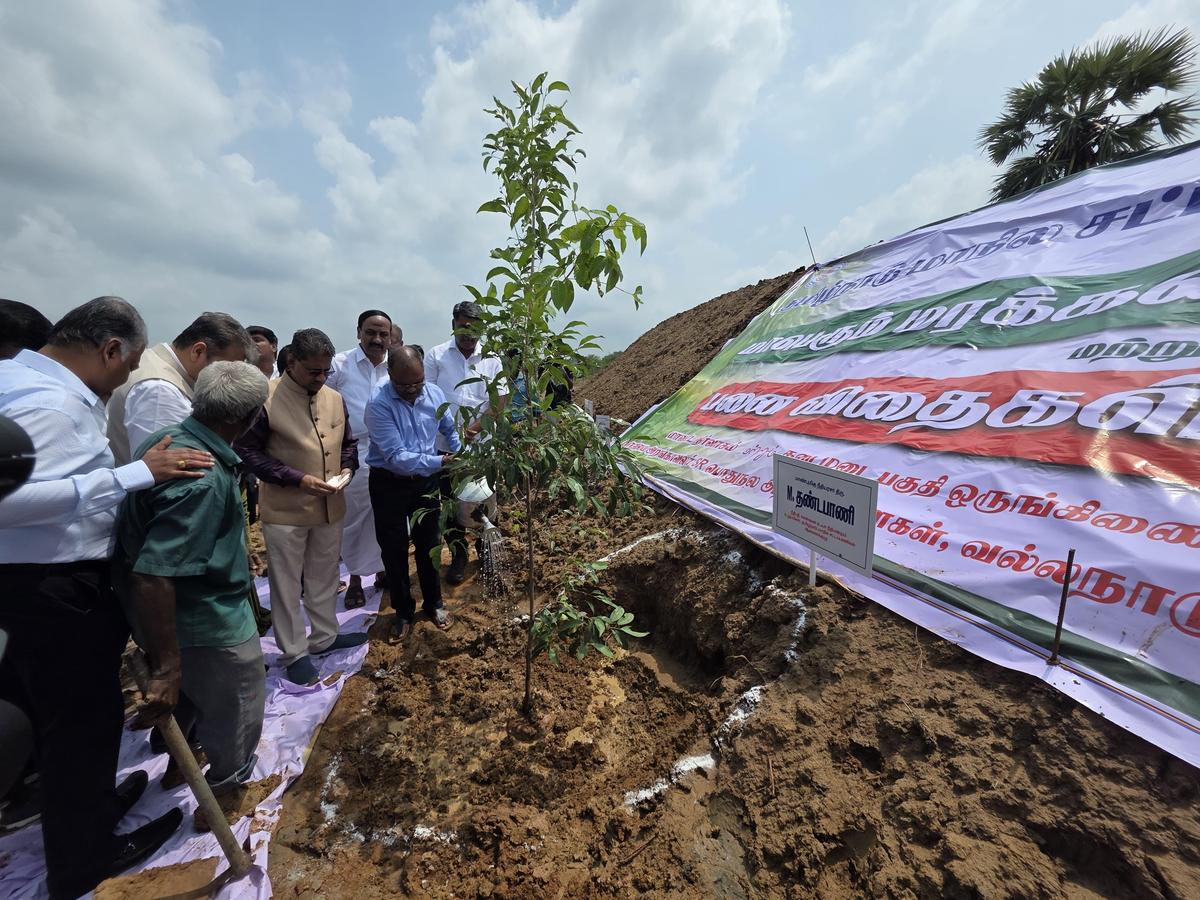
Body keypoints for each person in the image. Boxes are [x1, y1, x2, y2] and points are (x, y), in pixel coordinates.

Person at [0, 297, 209, 899]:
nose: (127, 379)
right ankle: (84, 859)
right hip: (52, 590)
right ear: (109, 349)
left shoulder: (23, 382)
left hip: (38, 585)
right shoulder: (50, 403)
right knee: (78, 725)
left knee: (68, 721)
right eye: (128, 364)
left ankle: (90, 809)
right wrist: (132, 474)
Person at [115, 361, 270, 824]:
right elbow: (155, 573)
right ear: (246, 419)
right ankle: (224, 793)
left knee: (197, 701)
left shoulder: (168, 443)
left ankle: (184, 769)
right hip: (206, 619)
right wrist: (167, 665)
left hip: (184, 614)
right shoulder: (199, 477)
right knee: (236, 702)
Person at [235, 328, 365, 686]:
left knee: (324, 575)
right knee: (288, 583)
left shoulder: (334, 399)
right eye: (313, 372)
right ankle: (294, 651)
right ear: (291, 363)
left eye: (325, 372)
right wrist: (296, 478)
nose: (320, 379)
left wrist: (346, 469)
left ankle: (324, 636)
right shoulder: (265, 399)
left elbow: (348, 443)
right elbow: (247, 451)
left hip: (329, 507)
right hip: (287, 511)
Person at [365, 346, 460, 641]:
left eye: (417, 382)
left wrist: (458, 451)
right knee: (393, 549)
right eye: (404, 384)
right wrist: (441, 462)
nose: (412, 389)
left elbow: (448, 426)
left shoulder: (433, 393)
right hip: (389, 482)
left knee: (430, 544)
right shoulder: (378, 404)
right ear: (390, 374)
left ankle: (434, 603)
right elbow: (396, 456)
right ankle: (403, 612)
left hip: (426, 483)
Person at [424, 300, 507, 584]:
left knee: (485, 501)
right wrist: (452, 435)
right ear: (453, 326)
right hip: (445, 447)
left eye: (475, 328)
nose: (469, 333)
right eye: (463, 327)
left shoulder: (492, 359)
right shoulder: (436, 356)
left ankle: (486, 554)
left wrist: (472, 429)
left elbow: (499, 401)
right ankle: (459, 555)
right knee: (449, 504)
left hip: (482, 448)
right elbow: (430, 399)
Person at [107, 312, 254, 465]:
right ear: (198, 351)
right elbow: (165, 471)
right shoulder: (160, 390)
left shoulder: (155, 361)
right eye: (225, 368)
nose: (229, 378)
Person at [327, 310, 392, 609]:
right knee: (353, 519)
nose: (377, 339)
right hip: (352, 452)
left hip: (390, 454)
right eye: (371, 332)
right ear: (359, 333)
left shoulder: (397, 366)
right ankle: (354, 578)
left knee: (386, 517)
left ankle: (381, 569)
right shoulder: (339, 366)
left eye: (383, 334)